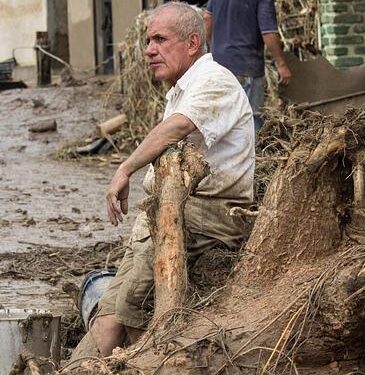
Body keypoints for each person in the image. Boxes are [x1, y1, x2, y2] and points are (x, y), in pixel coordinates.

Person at [71, 1, 254, 360]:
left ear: (191, 44)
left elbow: (179, 127)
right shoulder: (184, 87)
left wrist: (125, 168)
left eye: (159, 39)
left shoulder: (214, 81)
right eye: (147, 40)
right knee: (110, 309)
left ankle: (114, 365)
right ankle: (82, 366)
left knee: (124, 310)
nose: (149, 50)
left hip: (206, 215)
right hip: (166, 213)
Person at [203, 0, 292, 131]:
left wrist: (215, 48)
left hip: (218, 67)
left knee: (221, 120)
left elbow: (206, 18)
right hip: (246, 66)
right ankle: (251, 151)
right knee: (250, 122)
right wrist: (281, 64)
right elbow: (268, 32)